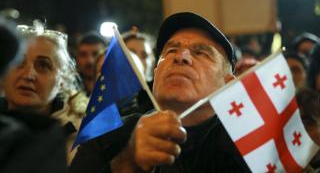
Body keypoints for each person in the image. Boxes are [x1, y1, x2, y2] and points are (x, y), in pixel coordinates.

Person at [69, 12, 250, 173]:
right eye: (171, 50)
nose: (181, 57)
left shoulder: (252, 144)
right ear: (155, 74)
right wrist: (127, 163)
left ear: (228, 85)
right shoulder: (106, 136)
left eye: (201, 53)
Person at [1, 22, 88, 165]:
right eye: (18, 63)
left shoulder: (85, 137)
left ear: (62, 79)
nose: (29, 75)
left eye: (43, 65)